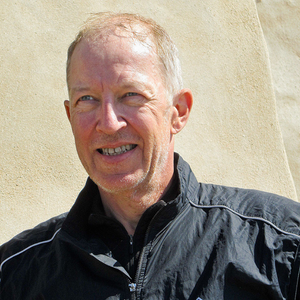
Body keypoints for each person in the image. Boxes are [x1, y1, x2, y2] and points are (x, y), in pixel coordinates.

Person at [0, 12, 299, 300]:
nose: (108, 122)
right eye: (86, 99)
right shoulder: (15, 273)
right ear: (70, 115)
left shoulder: (279, 245)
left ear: (178, 112)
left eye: (131, 95)